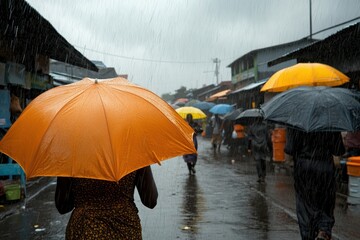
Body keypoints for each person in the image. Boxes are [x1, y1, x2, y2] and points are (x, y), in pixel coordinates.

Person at [55, 166, 158, 239]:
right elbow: (150, 200)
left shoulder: (72, 155)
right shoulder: (133, 153)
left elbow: (63, 206)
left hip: (84, 229)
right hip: (126, 229)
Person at [284, 128, 345, 240]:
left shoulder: (297, 122)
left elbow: (289, 148)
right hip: (325, 167)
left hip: (304, 168)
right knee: (325, 202)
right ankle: (324, 229)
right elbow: (338, 150)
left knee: (305, 205)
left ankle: (308, 234)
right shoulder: (329, 121)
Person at [247, 119, 270, 183]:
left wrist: (249, 148)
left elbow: (249, 138)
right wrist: (268, 146)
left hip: (255, 145)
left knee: (258, 160)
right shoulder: (265, 126)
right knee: (263, 159)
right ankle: (263, 175)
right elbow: (267, 137)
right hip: (263, 145)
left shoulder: (252, 127)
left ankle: (260, 176)